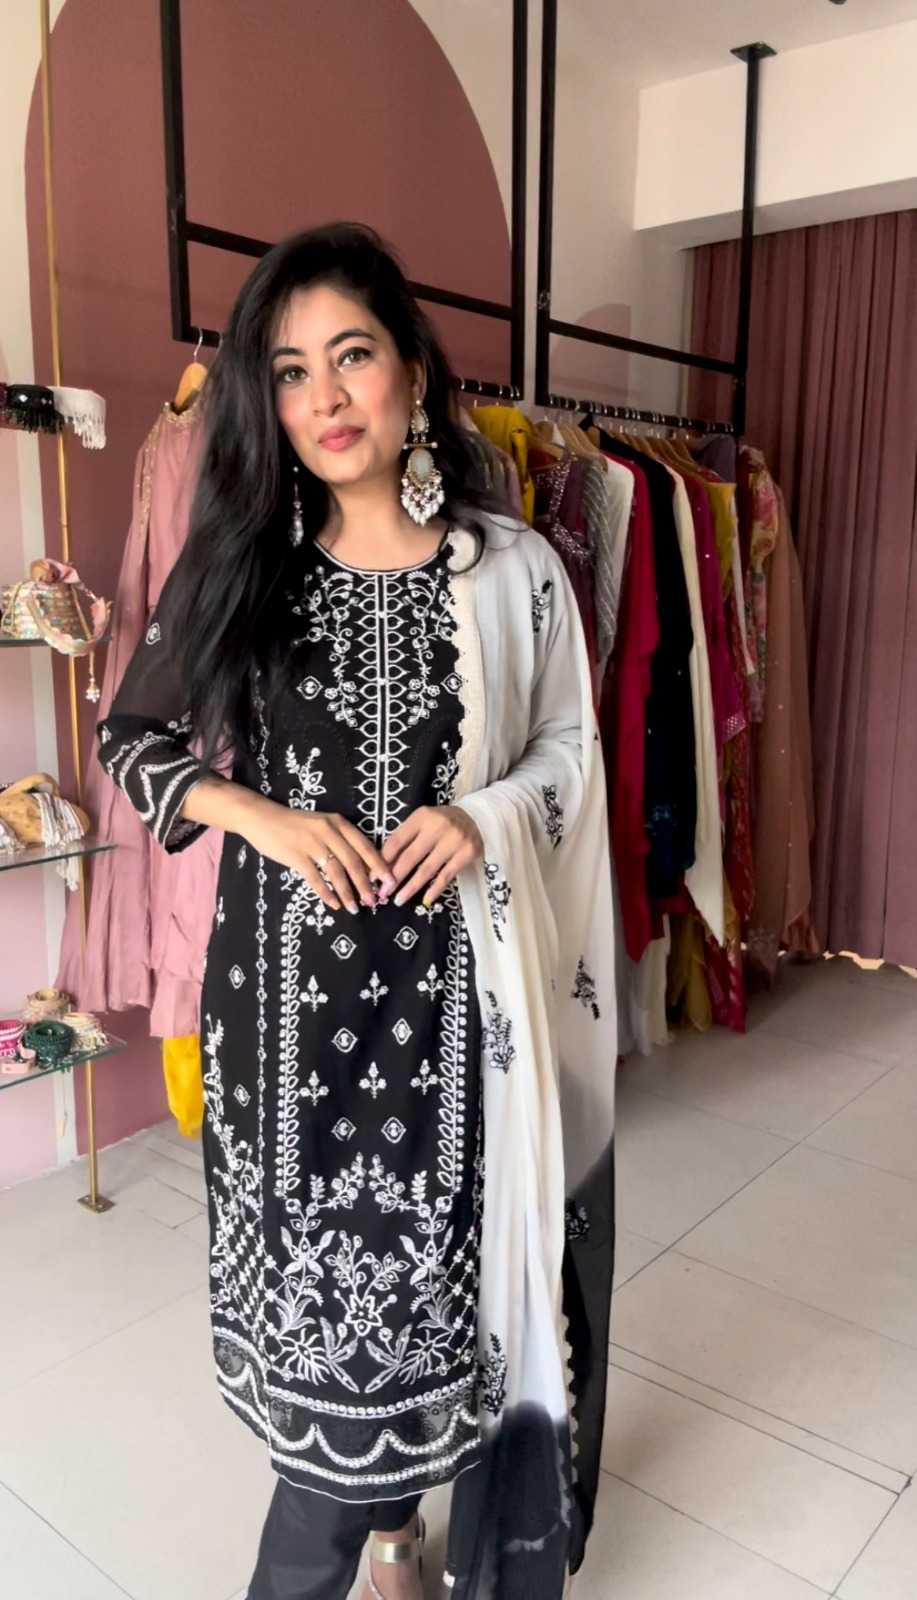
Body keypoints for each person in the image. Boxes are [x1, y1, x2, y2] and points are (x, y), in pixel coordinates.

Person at [98, 223, 617, 1600]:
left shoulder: (511, 571)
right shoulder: (244, 566)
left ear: (412, 371)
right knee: (330, 1356)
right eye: (289, 372)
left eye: (352, 358)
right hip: (288, 1031)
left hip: (460, 1023)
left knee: (442, 1312)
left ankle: (399, 1534)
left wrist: (480, 815)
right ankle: (362, 1538)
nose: (324, 398)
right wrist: (259, 816)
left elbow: (569, 752)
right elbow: (133, 740)